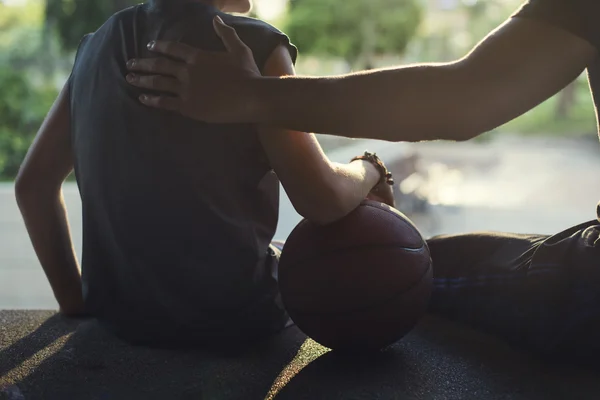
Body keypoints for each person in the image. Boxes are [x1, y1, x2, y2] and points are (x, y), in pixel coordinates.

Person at [124, 0, 600, 364]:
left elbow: (465, 99)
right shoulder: (254, 40)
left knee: (408, 267)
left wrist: (252, 96)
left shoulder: (108, 43)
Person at [14, 0, 395, 348]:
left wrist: (75, 300)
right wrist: (370, 169)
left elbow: (33, 186)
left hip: (117, 319)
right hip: (232, 321)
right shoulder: (250, 44)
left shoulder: (94, 48)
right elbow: (322, 199)